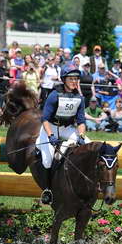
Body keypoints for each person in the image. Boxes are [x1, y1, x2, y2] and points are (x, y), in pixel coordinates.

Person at [35, 64, 90, 205]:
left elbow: (81, 121)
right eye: (71, 78)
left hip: (68, 128)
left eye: (76, 79)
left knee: (89, 147)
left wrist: (82, 137)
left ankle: (86, 186)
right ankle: (48, 190)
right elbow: (45, 119)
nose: (74, 81)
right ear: (64, 79)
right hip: (51, 126)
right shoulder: (54, 95)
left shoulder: (79, 97)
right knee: (47, 160)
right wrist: (50, 136)